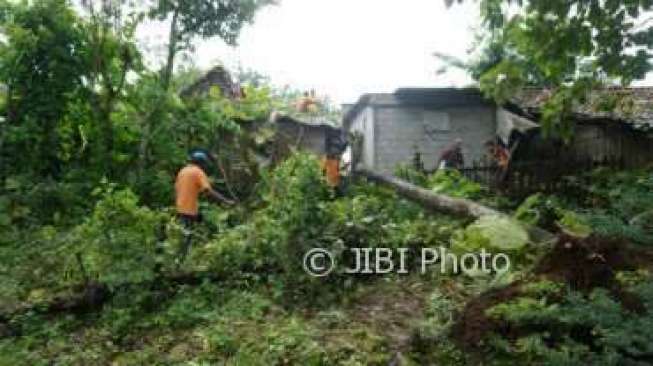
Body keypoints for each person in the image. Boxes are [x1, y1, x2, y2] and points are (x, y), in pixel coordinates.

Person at [175, 149, 234, 264]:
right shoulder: (198, 172)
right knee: (187, 236)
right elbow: (208, 191)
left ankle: (183, 258)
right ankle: (180, 263)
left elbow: (177, 189)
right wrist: (225, 201)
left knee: (185, 233)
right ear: (201, 163)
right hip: (189, 210)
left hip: (180, 208)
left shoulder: (183, 171)